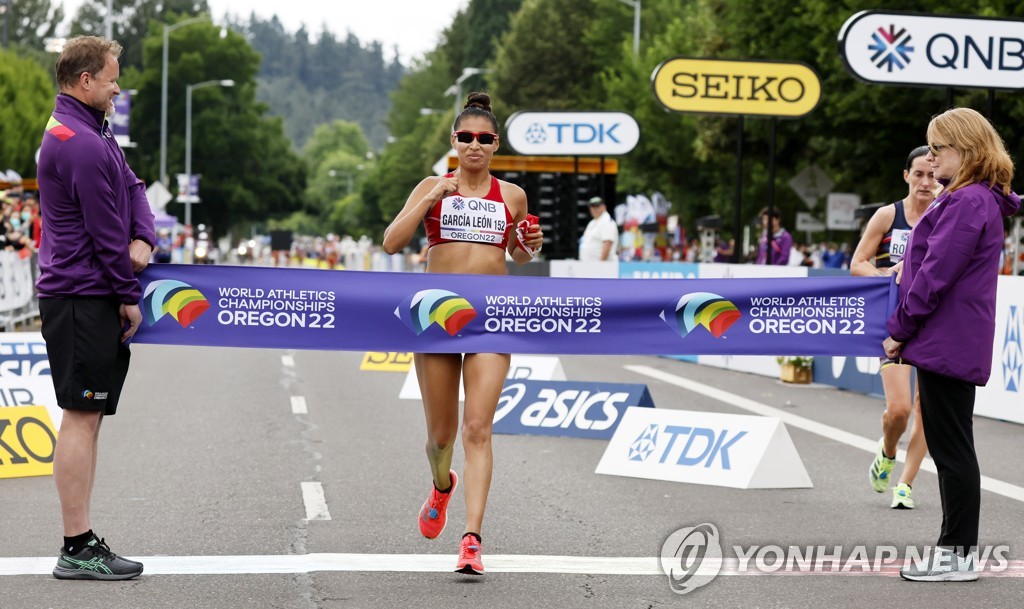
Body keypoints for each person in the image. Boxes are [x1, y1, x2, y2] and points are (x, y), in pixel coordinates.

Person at [381, 92, 543, 575]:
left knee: (478, 428)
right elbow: (391, 242)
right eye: (466, 137)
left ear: (496, 145)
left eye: (485, 138)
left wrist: (529, 244)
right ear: (454, 141)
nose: (475, 144)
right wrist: (431, 198)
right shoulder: (433, 185)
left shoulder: (512, 195)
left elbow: (519, 257)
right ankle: (441, 485)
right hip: (435, 317)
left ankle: (472, 539)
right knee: (441, 437)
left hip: (491, 317)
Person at [35, 36, 155, 581]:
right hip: (82, 297)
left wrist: (146, 242)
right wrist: (128, 297)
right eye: (111, 79)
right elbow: (106, 232)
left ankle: (81, 540)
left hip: (86, 292)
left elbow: (133, 189)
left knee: (88, 419)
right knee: (81, 419)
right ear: (85, 81)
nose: (117, 88)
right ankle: (76, 545)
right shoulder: (79, 142)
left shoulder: (90, 131)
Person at [884, 107, 1020, 581]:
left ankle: (958, 555)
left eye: (939, 147)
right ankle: (955, 552)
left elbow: (937, 274)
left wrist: (900, 329)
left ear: (965, 149)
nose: (933, 156)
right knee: (950, 447)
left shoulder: (967, 202)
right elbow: (932, 264)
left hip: (949, 337)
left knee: (953, 450)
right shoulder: (972, 198)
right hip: (950, 336)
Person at [851, 146, 935, 510]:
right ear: (906, 176)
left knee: (927, 407)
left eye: (932, 174)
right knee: (899, 410)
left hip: (933, 322)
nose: (926, 182)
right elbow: (857, 263)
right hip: (894, 324)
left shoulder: (945, 215)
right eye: (918, 174)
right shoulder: (888, 215)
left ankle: (906, 483)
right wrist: (889, 275)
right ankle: (887, 453)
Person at [579, 195, 618, 261]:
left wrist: (601, 265)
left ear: (604, 207)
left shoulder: (607, 221)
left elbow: (607, 243)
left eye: (597, 206)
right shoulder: (592, 222)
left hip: (601, 267)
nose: (594, 209)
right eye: (592, 207)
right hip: (590, 265)